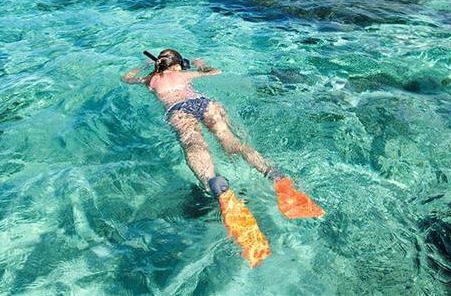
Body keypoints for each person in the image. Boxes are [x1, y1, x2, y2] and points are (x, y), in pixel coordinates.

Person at [123, 49, 324, 267]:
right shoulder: (184, 74)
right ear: (178, 65)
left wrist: (145, 66)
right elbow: (215, 71)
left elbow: (126, 79)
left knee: (194, 144)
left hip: (177, 109)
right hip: (204, 103)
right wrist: (200, 64)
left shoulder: (151, 80)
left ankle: (217, 187)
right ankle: (274, 175)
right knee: (232, 142)